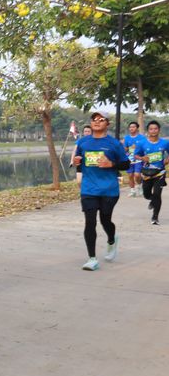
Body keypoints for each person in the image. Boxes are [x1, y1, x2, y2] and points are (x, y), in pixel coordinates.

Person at [72, 111, 130, 271]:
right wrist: (77, 161)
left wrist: (111, 164)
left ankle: (112, 239)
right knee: (90, 222)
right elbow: (79, 161)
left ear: (107, 124)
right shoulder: (83, 142)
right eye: (94, 119)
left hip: (109, 189)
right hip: (89, 189)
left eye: (101, 119)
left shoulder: (114, 144)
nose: (96, 122)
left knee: (105, 220)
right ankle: (92, 259)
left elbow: (126, 164)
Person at [134, 120, 169, 225]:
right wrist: (142, 158)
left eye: (155, 129)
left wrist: (167, 160)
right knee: (146, 194)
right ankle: (152, 200)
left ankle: (155, 217)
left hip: (160, 172)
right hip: (147, 173)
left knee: (157, 194)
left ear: (159, 130)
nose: (153, 131)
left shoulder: (165, 143)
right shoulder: (142, 143)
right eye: (151, 129)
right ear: (148, 131)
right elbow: (135, 155)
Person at [123, 121, 147, 197]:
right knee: (130, 175)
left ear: (137, 128)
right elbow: (125, 148)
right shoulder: (126, 138)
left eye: (133, 127)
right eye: (130, 127)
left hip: (138, 158)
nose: (131, 128)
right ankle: (132, 191)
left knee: (137, 175)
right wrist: (125, 150)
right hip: (129, 159)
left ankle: (140, 186)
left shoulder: (142, 138)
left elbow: (145, 148)